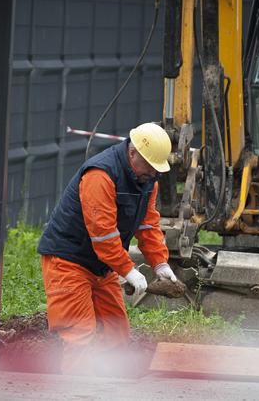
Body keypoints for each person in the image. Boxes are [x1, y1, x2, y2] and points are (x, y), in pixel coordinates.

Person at [36, 122, 178, 375]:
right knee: (80, 334)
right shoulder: (100, 175)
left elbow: (147, 225)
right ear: (133, 153)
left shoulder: (147, 179)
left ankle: (110, 388)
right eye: (150, 167)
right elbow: (103, 235)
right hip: (68, 261)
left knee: (116, 333)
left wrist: (160, 263)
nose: (154, 174)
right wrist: (128, 270)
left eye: (158, 169)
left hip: (102, 266)